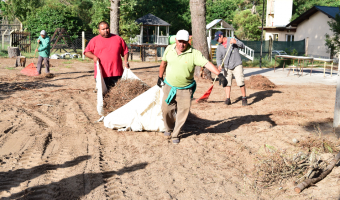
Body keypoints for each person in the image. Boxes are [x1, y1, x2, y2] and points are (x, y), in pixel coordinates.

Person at [157, 30, 228, 144]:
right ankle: (169, 128)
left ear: (188, 41)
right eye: (179, 41)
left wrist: (219, 74)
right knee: (166, 110)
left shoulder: (194, 53)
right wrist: (160, 77)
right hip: (169, 86)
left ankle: (176, 134)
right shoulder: (169, 49)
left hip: (185, 89)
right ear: (175, 40)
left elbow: (206, 63)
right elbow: (163, 63)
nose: (181, 44)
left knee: (183, 112)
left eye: (184, 42)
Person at [84, 21, 129, 90]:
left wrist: (126, 61)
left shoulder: (118, 39)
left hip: (117, 73)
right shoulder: (94, 40)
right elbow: (86, 52)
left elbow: (125, 51)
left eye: (107, 28)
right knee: (104, 95)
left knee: (118, 94)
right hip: (101, 74)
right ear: (99, 30)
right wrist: (94, 57)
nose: (106, 30)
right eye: (103, 29)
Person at [214, 31, 248, 106]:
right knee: (227, 83)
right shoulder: (219, 47)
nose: (217, 40)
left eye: (217, 38)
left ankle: (244, 98)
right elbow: (218, 58)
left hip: (237, 64)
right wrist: (219, 65)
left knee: (240, 82)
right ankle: (228, 99)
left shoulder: (232, 40)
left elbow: (242, 46)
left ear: (221, 36)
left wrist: (236, 42)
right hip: (227, 66)